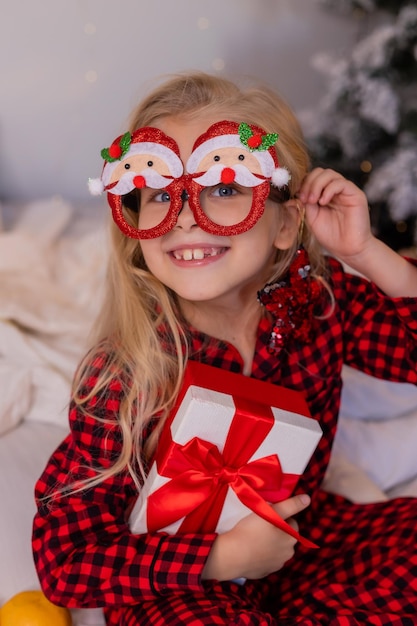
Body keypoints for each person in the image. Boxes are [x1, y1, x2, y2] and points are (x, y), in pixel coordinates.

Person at [32, 71, 417, 626]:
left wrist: (368, 253)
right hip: (177, 582)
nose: (187, 216)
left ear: (285, 224)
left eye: (225, 187)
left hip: (299, 541)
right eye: (161, 193)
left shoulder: (315, 302)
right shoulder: (126, 374)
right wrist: (225, 557)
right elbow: (65, 562)